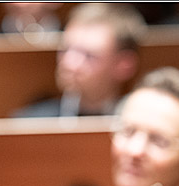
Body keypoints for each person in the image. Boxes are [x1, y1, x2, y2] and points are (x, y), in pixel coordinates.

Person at [12, 2, 144, 118]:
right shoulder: (30, 123)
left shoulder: (139, 127)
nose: (68, 63)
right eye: (65, 49)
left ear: (124, 65)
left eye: (89, 55)